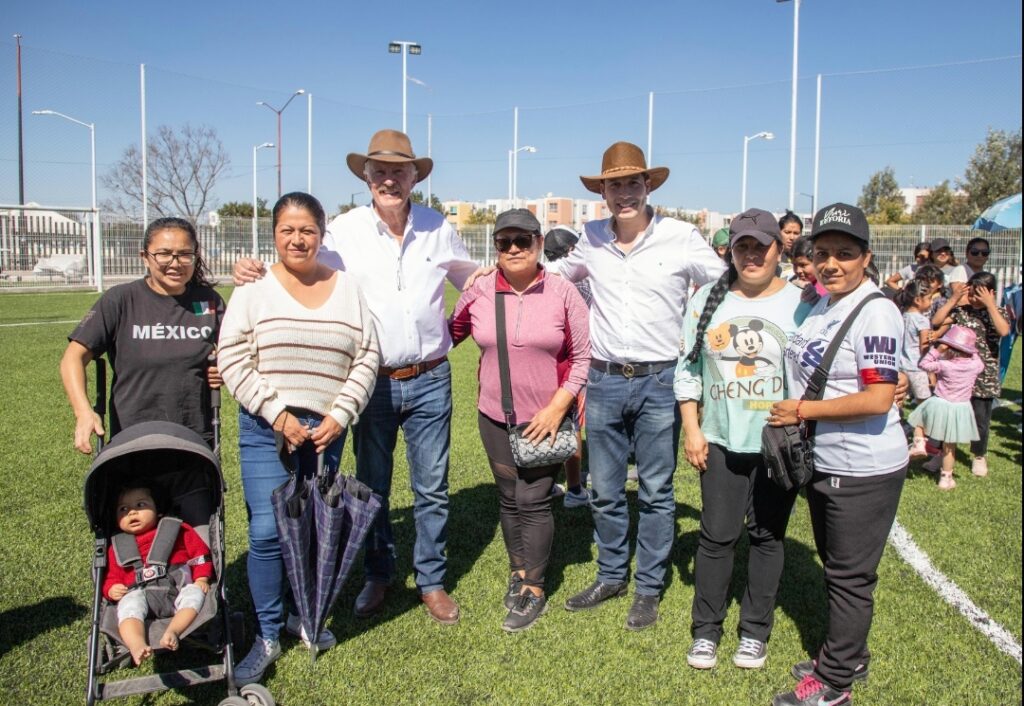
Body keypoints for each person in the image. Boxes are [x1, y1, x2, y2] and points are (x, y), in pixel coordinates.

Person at [233, 130, 479, 626]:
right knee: (373, 486)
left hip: (431, 378)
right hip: (372, 381)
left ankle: (431, 580)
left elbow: (471, 281)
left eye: (399, 171)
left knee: (432, 487)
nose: (389, 180)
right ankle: (378, 574)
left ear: (414, 177)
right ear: (366, 178)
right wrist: (251, 270)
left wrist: (463, 327)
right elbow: (296, 263)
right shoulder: (343, 232)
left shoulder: (437, 227)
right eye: (379, 171)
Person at [557, 141, 725, 630]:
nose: (624, 193)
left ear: (648, 185)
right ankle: (612, 575)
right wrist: (496, 273)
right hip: (604, 380)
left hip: (660, 380)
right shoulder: (591, 237)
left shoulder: (681, 236)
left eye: (633, 182)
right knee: (605, 489)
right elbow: (555, 275)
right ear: (602, 192)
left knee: (655, 490)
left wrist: (699, 334)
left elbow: (723, 284)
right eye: (615, 185)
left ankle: (648, 587)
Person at [220, 192, 380, 685]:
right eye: (287, 230)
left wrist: (341, 413)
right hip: (268, 430)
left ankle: (303, 615)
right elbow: (232, 357)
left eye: (307, 230)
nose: (297, 239)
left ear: (321, 234)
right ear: (274, 235)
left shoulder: (347, 288)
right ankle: (267, 633)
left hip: (325, 430)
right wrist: (277, 413)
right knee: (269, 531)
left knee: (313, 527)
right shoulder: (253, 289)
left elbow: (367, 356)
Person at [769, 203, 908, 706]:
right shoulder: (829, 302)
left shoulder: (876, 310)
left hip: (863, 465)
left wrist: (803, 410)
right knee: (837, 567)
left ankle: (834, 684)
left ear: (866, 257)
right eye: (822, 252)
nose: (831, 264)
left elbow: (878, 397)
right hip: (828, 461)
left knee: (849, 577)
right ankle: (849, 655)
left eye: (844, 254)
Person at [674, 209, 811, 670]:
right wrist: (693, 430)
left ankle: (754, 632)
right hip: (720, 441)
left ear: (779, 249)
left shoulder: (803, 302)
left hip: (777, 443)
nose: (751, 255)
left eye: (760, 246)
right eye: (742, 247)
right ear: (730, 252)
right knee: (716, 537)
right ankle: (706, 631)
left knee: (767, 537)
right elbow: (687, 372)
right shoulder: (706, 299)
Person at [449, 209, 591, 631]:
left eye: (522, 240)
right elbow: (447, 335)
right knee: (509, 496)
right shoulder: (480, 290)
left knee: (533, 499)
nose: (513, 249)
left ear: (539, 243)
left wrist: (558, 407)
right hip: (494, 414)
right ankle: (518, 569)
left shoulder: (563, 292)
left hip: (546, 417)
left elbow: (582, 357)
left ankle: (535, 586)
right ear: (495, 246)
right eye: (504, 242)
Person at [61, 217, 223, 451]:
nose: (175, 263)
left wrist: (224, 368)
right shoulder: (120, 300)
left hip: (194, 438)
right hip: (132, 437)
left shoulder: (208, 301)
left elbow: (236, 353)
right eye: (164, 254)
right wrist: (83, 412)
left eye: (184, 254)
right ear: (145, 257)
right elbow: (72, 358)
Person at [103, 485, 212, 665]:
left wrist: (201, 578)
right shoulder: (117, 547)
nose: (131, 512)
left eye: (140, 505)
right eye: (123, 509)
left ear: (158, 509)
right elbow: (111, 576)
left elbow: (200, 556)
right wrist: (111, 588)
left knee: (194, 593)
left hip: (179, 589)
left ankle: (173, 630)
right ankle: (136, 643)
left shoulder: (178, 529)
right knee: (128, 605)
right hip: (140, 594)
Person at [928, 271, 1011, 477]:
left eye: (978, 294)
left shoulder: (998, 312)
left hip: (984, 376)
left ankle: (979, 455)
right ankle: (942, 453)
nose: (973, 298)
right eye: (971, 293)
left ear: (991, 293)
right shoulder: (962, 311)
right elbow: (937, 321)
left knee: (980, 419)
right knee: (948, 415)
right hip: (956, 376)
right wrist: (954, 299)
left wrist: (990, 305)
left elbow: (1004, 331)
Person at [543, 224, 592, 508]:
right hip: (574, 362)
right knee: (571, 424)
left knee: (542, 419)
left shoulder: (538, 274)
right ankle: (574, 489)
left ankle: (546, 483)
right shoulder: (580, 279)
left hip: (541, 360)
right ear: (572, 249)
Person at [907, 327, 984, 490]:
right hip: (960, 407)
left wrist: (937, 350)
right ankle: (946, 478)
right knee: (950, 446)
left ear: (949, 348)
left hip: (940, 402)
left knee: (919, 420)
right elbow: (979, 362)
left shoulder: (944, 365)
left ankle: (919, 443)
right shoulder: (975, 365)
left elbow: (923, 364)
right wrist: (973, 350)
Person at [896, 280, 935, 406]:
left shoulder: (901, 316)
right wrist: (931, 371)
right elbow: (924, 347)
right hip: (917, 367)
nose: (931, 302)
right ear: (918, 300)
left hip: (900, 365)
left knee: (898, 399)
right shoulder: (922, 320)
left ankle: (899, 417)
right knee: (924, 402)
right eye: (929, 298)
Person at [777, 211, 804, 279]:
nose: (792, 237)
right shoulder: (771, 255)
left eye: (796, 233)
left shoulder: (807, 255)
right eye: (787, 232)